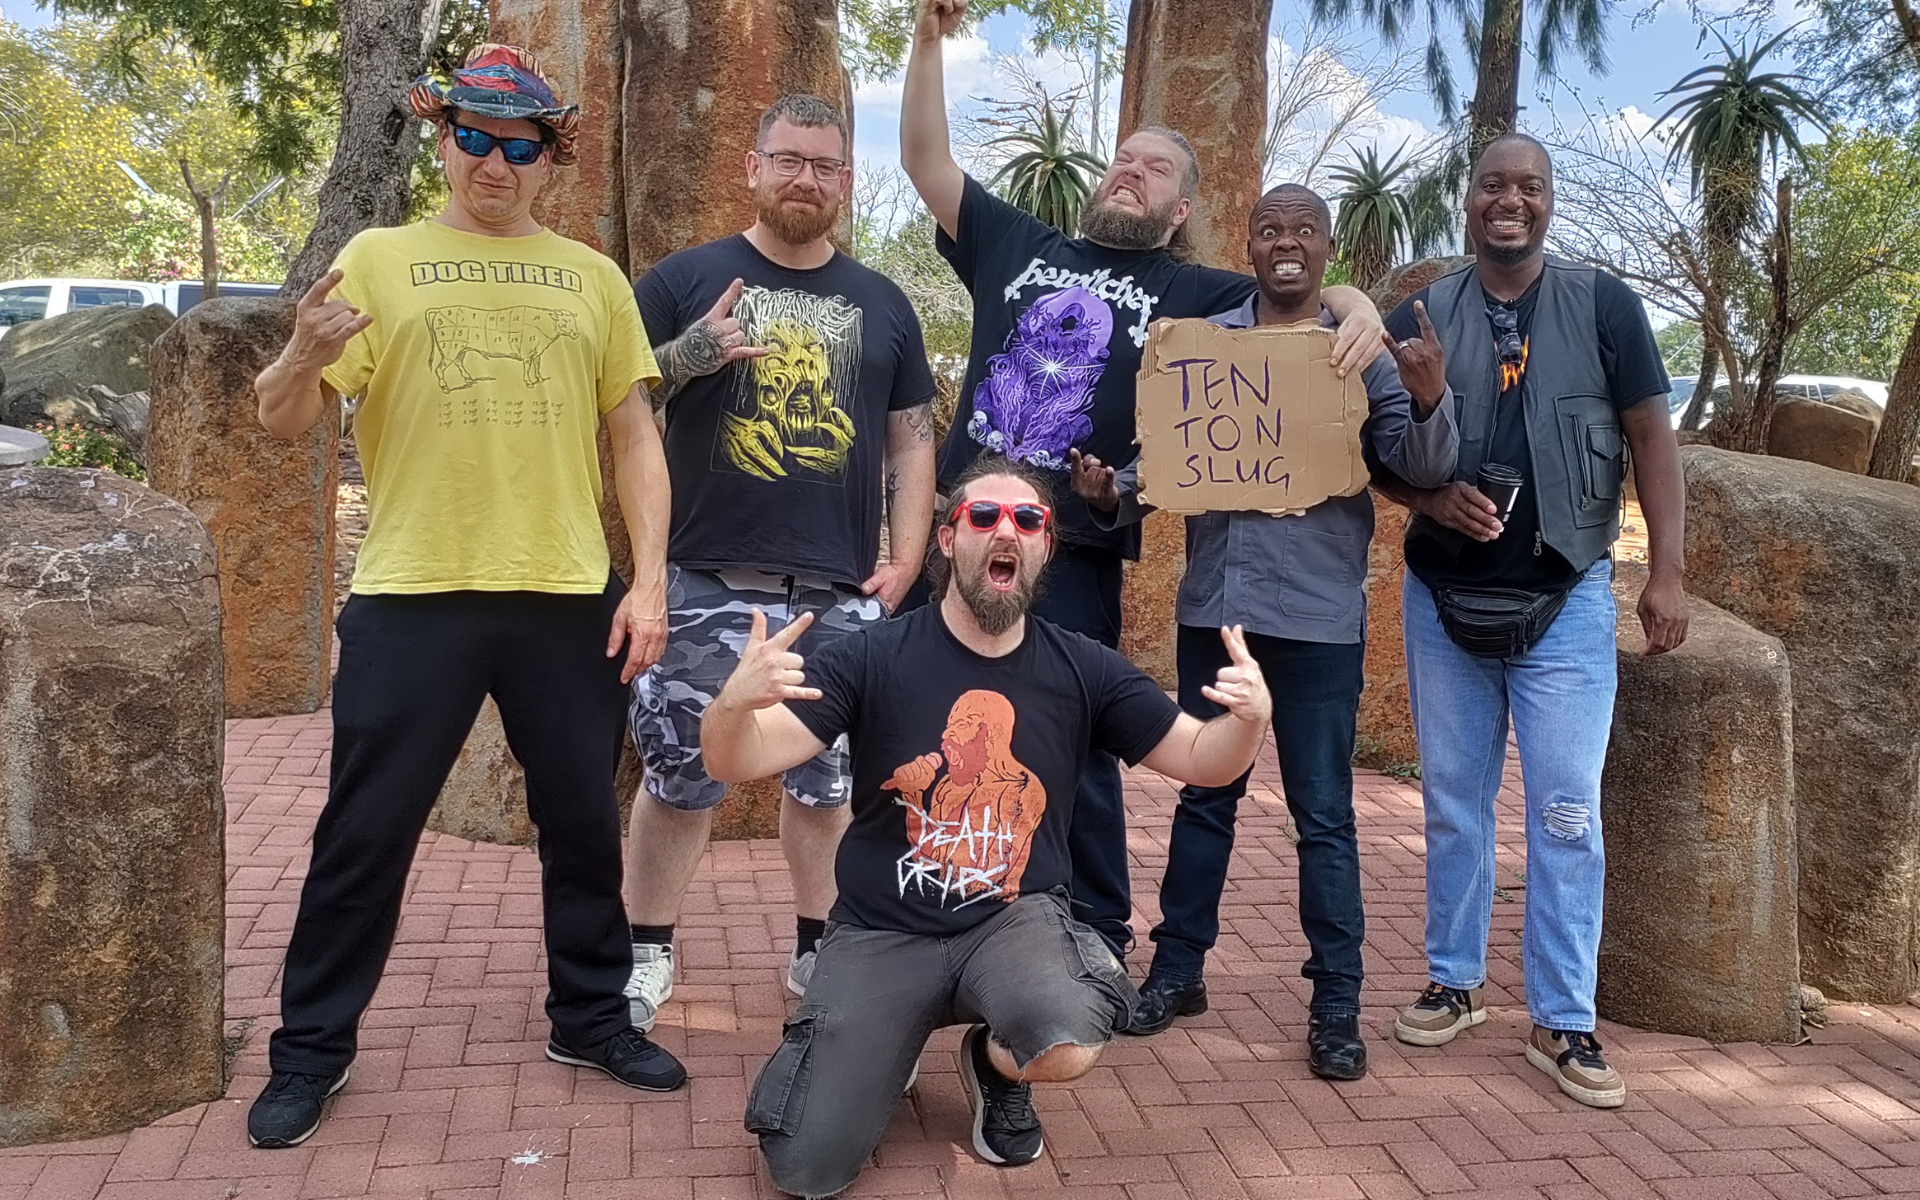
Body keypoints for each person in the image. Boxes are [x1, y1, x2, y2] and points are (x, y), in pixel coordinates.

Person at [245, 44, 685, 1149]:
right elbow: (281, 420)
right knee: (365, 832)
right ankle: (310, 1052)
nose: (495, 164)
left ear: (551, 158)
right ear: (444, 141)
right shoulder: (378, 257)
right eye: (474, 139)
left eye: (519, 147)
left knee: (581, 827)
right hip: (412, 591)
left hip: (564, 594)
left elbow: (634, 436)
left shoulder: (592, 277)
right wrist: (299, 353)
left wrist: (649, 583)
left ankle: (591, 1019)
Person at [899, 0, 1386, 958]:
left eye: (1156, 168)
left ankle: (1098, 931)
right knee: (937, 719)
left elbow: (1294, 286)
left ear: (1181, 210)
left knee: (1079, 733)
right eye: (1124, 159)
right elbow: (924, 160)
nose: (1131, 170)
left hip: (1073, 548)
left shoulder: (1194, 293)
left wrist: (1354, 300)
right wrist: (925, 37)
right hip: (969, 527)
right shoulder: (1017, 242)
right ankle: (947, 910)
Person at [701, 455, 1274, 1197]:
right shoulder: (873, 655)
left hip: (1012, 923)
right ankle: (882, 1041)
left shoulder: (1082, 668)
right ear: (948, 539)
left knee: (1068, 1032)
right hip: (881, 928)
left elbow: (1202, 760)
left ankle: (995, 1064)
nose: (1007, 530)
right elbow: (737, 758)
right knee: (804, 1167)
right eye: (984, 515)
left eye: (1028, 519)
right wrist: (731, 707)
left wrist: (1248, 722)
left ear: (1045, 547)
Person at [1069, 184, 1459, 1079]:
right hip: (1217, 611)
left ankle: (1336, 1002)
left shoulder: (1356, 351)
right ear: (1248, 246)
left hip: (1318, 622)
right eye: (1270, 229)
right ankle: (1177, 972)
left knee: (1323, 815)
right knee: (1205, 798)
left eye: (1304, 230)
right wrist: (1110, 492)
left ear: (1327, 248)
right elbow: (1168, 460)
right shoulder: (1206, 346)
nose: (1287, 243)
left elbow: (1419, 465)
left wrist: (1430, 398)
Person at [1373, 133, 1688, 1109]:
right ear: (1467, 199)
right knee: (1453, 802)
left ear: (1549, 201)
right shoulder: (1422, 312)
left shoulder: (1604, 306)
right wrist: (1432, 498)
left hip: (1567, 597)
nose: (1510, 200)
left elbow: (1652, 437)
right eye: (1492, 185)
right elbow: (1377, 455)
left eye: (1530, 186)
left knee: (1565, 812)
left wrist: (1667, 572)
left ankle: (1562, 1018)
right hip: (1444, 596)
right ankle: (1455, 981)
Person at [620, 95, 939, 1026]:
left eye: (825, 165)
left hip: (836, 596)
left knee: (827, 785)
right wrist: (690, 353)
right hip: (704, 581)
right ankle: (646, 955)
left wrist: (907, 558)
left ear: (846, 182)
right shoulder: (685, 278)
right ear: (753, 168)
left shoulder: (883, 302)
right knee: (681, 779)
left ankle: (817, 952)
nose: (806, 179)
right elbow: (618, 400)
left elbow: (912, 438)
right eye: (788, 160)